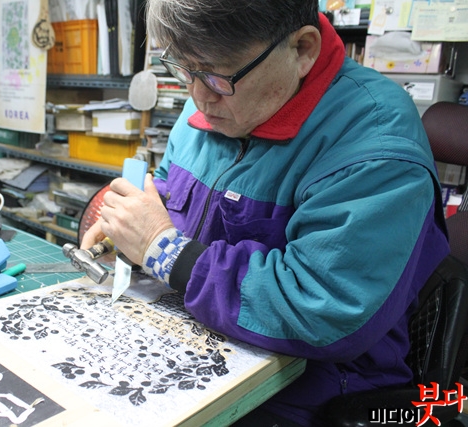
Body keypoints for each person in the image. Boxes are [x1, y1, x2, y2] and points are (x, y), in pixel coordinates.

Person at [81, 0, 450, 425]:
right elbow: (167, 193)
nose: (198, 97)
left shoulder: (376, 143)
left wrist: (165, 251)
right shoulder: (210, 101)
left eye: (217, 76)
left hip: (306, 393)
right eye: (184, 69)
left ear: (302, 49)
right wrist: (129, 231)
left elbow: (324, 309)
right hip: (194, 345)